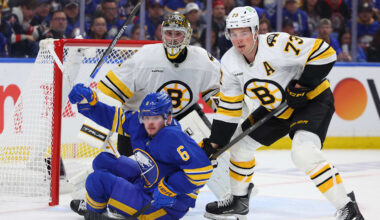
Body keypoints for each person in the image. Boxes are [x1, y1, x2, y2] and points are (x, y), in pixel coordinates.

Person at [201, 6, 364, 220]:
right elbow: (229, 107)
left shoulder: (277, 44)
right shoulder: (230, 61)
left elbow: (325, 52)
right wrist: (216, 142)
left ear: (255, 30)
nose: (238, 39)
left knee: (303, 152)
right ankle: (239, 200)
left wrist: (302, 85)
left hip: (311, 101)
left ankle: (348, 208)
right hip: (276, 110)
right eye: (233, 33)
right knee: (240, 146)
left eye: (244, 32)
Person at [68, 89, 213, 219]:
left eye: (155, 118)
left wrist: (170, 187)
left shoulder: (172, 137)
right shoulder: (140, 124)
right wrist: (91, 105)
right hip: (147, 183)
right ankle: (114, 204)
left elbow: (202, 171)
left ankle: (93, 212)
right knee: (102, 161)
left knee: (96, 180)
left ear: (168, 118)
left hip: (165, 206)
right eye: (146, 117)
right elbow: (113, 117)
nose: (150, 123)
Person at [96, 13, 220, 157]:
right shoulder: (144, 57)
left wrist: (234, 120)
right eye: (169, 33)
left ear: (187, 35)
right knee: (133, 170)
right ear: (162, 34)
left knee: (210, 155)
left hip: (182, 116)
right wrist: (96, 130)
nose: (173, 39)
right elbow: (110, 91)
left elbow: (216, 96)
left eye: (178, 33)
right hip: (141, 119)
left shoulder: (203, 59)